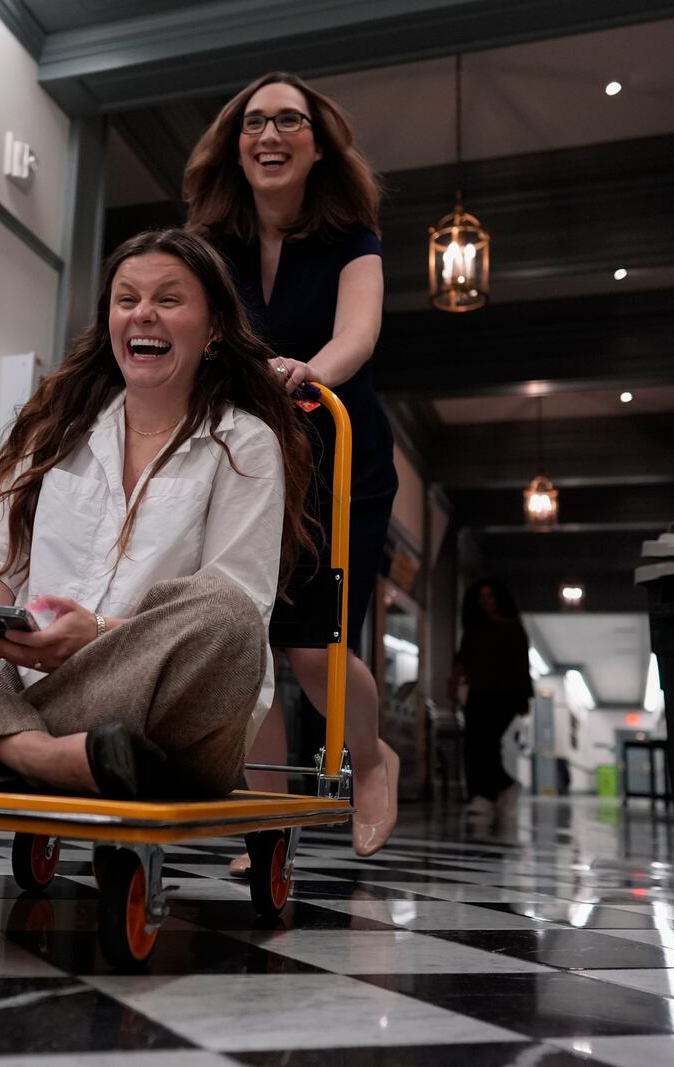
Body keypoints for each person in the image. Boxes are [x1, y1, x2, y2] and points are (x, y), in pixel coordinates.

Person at [0, 229, 316, 798]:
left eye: (169, 300)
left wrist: (94, 635)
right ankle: (38, 754)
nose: (143, 314)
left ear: (214, 327)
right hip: (27, 692)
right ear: (109, 321)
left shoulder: (243, 443)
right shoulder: (57, 427)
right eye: (127, 300)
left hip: (152, 704)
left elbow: (235, 602)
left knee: (227, 616)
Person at [185, 71, 400, 860]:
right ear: (235, 148)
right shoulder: (212, 245)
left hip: (340, 462)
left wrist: (307, 370)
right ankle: (265, 809)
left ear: (317, 144)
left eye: (289, 121)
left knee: (314, 648)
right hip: (245, 464)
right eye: (252, 123)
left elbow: (359, 334)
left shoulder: (351, 235)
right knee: (246, 641)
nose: (269, 135)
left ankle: (372, 763)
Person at [447, 579, 532, 826]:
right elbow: (462, 659)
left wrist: (524, 698)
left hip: (504, 694)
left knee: (484, 742)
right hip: (479, 692)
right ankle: (491, 792)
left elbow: (520, 664)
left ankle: (488, 794)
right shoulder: (475, 628)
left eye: (490, 597)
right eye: (482, 598)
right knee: (477, 743)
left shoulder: (513, 628)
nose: (486, 603)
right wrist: (453, 682)